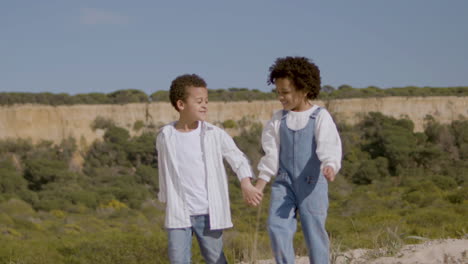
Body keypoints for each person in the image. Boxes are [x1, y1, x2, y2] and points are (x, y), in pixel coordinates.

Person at [156, 73, 262, 264]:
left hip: (208, 213)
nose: (205, 105)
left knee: (215, 259)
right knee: (178, 260)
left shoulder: (214, 134)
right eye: (199, 101)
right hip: (178, 212)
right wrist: (164, 197)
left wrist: (246, 183)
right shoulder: (165, 135)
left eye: (206, 100)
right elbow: (163, 171)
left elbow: (237, 158)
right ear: (181, 104)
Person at [255, 57, 342, 263]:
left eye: (285, 92)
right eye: (278, 92)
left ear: (303, 90)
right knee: (277, 228)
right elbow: (271, 155)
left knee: (314, 233)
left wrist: (330, 165)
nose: (280, 97)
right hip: (284, 184)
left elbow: (329, 145)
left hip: (313, 183)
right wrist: (260, 184)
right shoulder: (278, 119)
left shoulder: (320, 116)